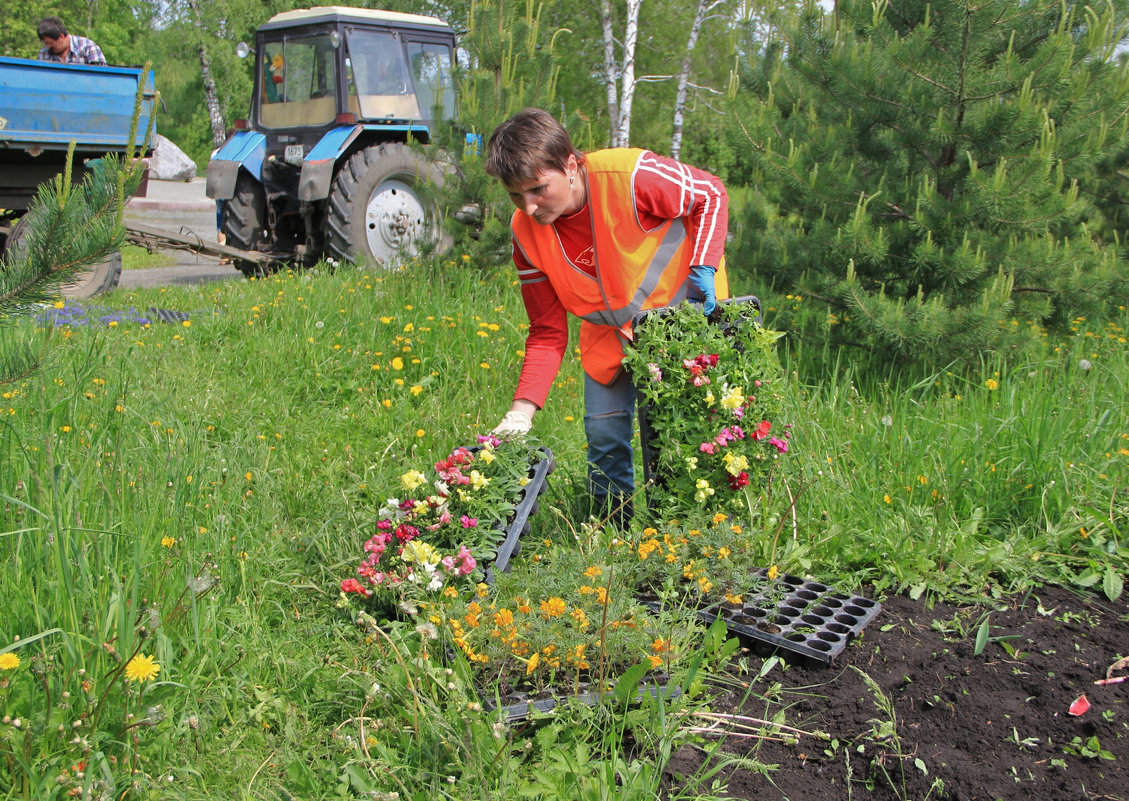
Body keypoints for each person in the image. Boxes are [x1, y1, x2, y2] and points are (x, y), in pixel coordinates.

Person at [484, 108, 730, 527]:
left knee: (675, 435)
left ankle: (683, 534)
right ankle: (613, 536)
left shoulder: (629, 175)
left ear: (569, 165)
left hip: (680, 321)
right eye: (514, 195)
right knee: (603, 438)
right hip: (610, 334)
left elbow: (710, 193)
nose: (527, 206)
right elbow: (547, 331)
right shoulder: (526, 233)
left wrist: (704, 266)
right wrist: (520, 413)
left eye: (538, 189)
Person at [37, 17, 107, 66]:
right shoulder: (44, 53)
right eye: (45, 43)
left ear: (61, 36)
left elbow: (102, 78)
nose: (47, 46)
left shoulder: (88, 47)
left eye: (50, 43)